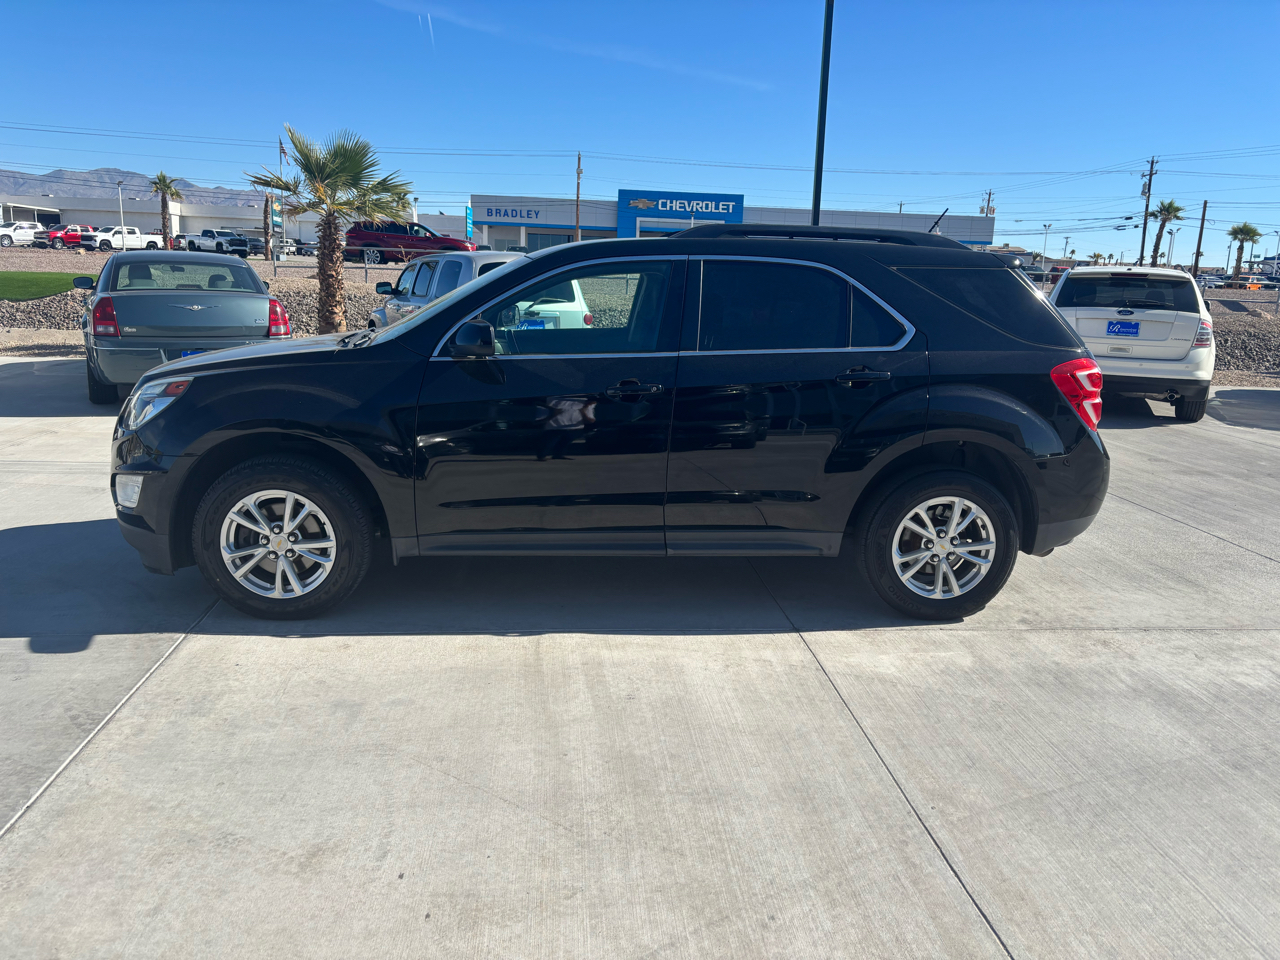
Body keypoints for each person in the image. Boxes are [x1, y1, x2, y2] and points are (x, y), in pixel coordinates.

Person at [537, 396, 596, 460]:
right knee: (550, 442)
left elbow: (590, 420)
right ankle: (542, 455)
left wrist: (583, 410)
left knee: (564, 442)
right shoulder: (556, 399)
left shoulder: (586, 404)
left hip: (573, 427)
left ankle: (558, 455)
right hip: (555, 425)